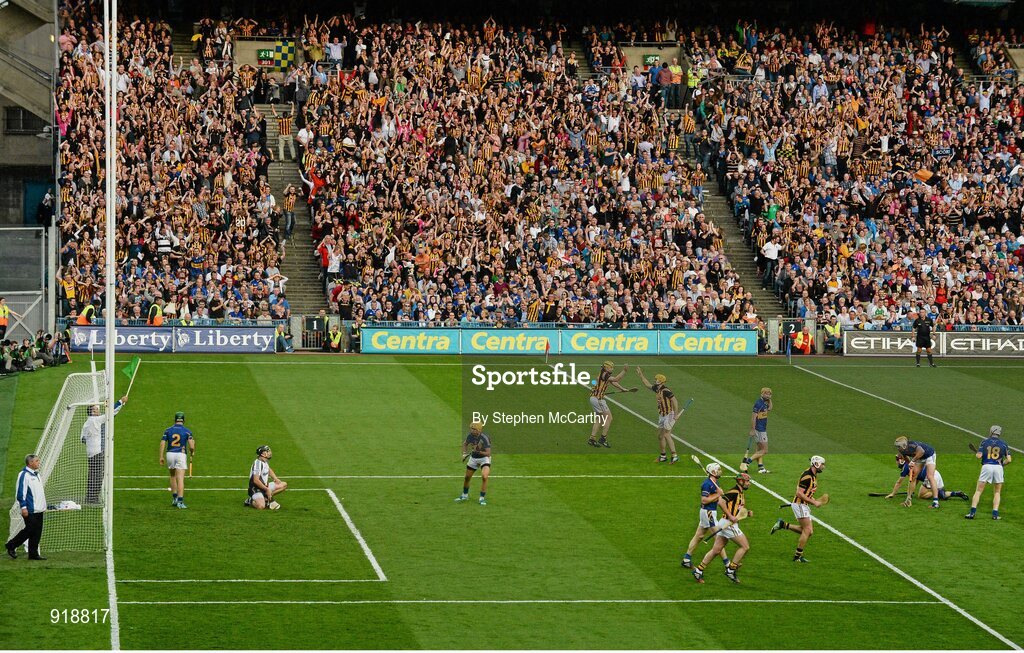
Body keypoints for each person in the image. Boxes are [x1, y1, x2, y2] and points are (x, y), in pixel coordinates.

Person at [693, 472, 753, 584]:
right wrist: (730, 516)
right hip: (728, 524)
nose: (749, 484)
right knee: (745, 547)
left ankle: (698, 570)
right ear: (741, 481)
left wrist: (746, 512)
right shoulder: (734, 492)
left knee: (716, 550)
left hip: (724, 523)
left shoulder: (740, 493)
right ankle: (731, 569)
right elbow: (721, 501)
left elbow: (736, 508)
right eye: (747, 481)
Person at [770, 455, 826, 562]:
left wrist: (813, 500)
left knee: (808, 531)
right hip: (800, 504)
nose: (823, 467)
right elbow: (799, 493)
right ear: (817, 464)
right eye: (822, 464)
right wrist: (814, 502)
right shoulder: (807, 476)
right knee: (808, 530)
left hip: (803, 504)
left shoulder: (813, 475)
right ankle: (797, 557)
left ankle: (783, 524)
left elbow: (807, 492)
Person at [681, 463, 730, 569]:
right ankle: (728, 564)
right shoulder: (707, 484)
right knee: (719, 539)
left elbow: (718, 499)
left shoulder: (714, 482)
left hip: (709, 512)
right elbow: (704, 500)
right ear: (713, 472)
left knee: (698, 536)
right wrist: (718, 494)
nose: (720, 471)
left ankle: (686, 559)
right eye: (718, 469)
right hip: (708, 513)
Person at [81, 395, 127, 504]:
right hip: (97, 452)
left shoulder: (86, 423)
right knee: (98, 474)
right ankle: (93, 498)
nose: (97, 411)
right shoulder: (95, 420)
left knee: (92, 473)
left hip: (90, 452)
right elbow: (110, 414)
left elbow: (82, 439)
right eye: (95, 410)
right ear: (91, 412)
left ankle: (90, 496)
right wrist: (121, 401)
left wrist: (91, 439)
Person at [6, 454, 47, 560]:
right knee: (30, 530)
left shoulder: (37, 474)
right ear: (30, 463)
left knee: (37, 531)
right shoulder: (24, 475)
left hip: (39, 509)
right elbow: (20, 493)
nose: (39, 462)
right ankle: (11, 545)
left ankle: (33, 554)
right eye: (37, 461)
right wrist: (23, 507)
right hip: (30, 509)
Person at [966, 425, 1012, 520]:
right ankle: (995, 515)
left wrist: (977, 454)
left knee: (978, 491)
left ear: (991, 431)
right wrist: (1001, 465)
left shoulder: (984, 442)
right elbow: (1009, 460)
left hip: (986, 467)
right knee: (997, 492)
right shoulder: (1004, 444)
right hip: (998, 468)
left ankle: (972, 513)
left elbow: (979, 456)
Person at [636, 367, 679, 463]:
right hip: (662, 415)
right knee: (660, 436)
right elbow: (647, 384)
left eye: (657, 379)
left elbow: (675, 401)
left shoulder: (666, 390)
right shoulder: (657, 388)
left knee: (667, 434)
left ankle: (674, 455)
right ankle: (663, 456)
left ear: (661, 381)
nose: (655, 380)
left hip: (669, 415)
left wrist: (675, 415)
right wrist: (640, 374)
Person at [886, 455, 967, 502]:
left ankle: (936, 492)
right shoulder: (911, 464)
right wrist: (910, 492)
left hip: (930, 477)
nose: (896, 462)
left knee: (921, 495)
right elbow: (915, 479)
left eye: (897, 460)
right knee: (943, 496)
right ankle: (956, 493)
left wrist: (892, 493)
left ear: (901, 460)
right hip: (936, 474)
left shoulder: (906, 467)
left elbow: (899, 482)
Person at [588, 361, 630, 448]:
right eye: (611, 367)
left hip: (594, 398)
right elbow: (615, 379)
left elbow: (613, 382)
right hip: (598, 399)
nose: (612, 369)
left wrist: (622, 389)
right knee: (609, 418)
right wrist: (624, 371)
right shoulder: (604, 374)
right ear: (606, 368)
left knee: (599, 419)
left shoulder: (604, 374)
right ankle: (603, 438)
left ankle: (592, 439)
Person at [159, 412, 194, 509]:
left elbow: (162, 443)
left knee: (172, 476)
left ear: (175, 420)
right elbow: (191, 445)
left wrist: (161, 456)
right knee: (180, 478)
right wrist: (192, 451)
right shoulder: (187, 431)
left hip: (170, 454)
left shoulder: (167, 430)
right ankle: (180, 501)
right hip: (181, 455)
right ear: (184, 420)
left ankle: (174, 498)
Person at [894, 436, 941, 508]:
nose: (897, 448)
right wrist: (910, 463)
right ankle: (908, 500)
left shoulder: (912, 446)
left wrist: (913, 461)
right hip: (919, 458)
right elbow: (906, 457)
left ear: (904, 445)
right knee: (913, 477)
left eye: (898, 446)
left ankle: (935, 502)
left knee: (930, 476)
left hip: (929, 455)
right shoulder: (901, 450)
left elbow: (922, 451)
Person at [456, 422, 491, 505]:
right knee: (467, 477)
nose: (472, 430)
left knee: (484, 477)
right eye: (471, 428)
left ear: (479, 430)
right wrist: (464, 453)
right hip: (474, 458)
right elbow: (465, 444)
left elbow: (488, 453)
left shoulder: (484, 438)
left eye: (474, 429)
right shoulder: (470, 435)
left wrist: (478, 451)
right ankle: (465, 495)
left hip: (484, 459)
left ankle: (482, 498)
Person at [246, 445, 288, 509]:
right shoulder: (258, 464)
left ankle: (266, 497)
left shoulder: (264, 461)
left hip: (265, 487)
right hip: (256, 489)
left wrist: (275, 478)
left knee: (284, 485)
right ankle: (250, 501)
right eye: (268, 451)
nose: (270, 453)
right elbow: (256, 480)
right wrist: (267, 489)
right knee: (261, 506)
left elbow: (268, 469)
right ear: (263, 454)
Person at [742, 387, 772, 474]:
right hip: (759, 429)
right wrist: (752, 429)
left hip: (762, 428)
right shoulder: (758, 403)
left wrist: (769, 399)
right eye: (766, 393)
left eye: (769, 394)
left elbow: (770, 408)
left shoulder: (764, 403)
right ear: (761, 394)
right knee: (764, 450)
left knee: (758, 449)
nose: (768, 395)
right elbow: (753, 417)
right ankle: (747, 462)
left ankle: (760, 467)